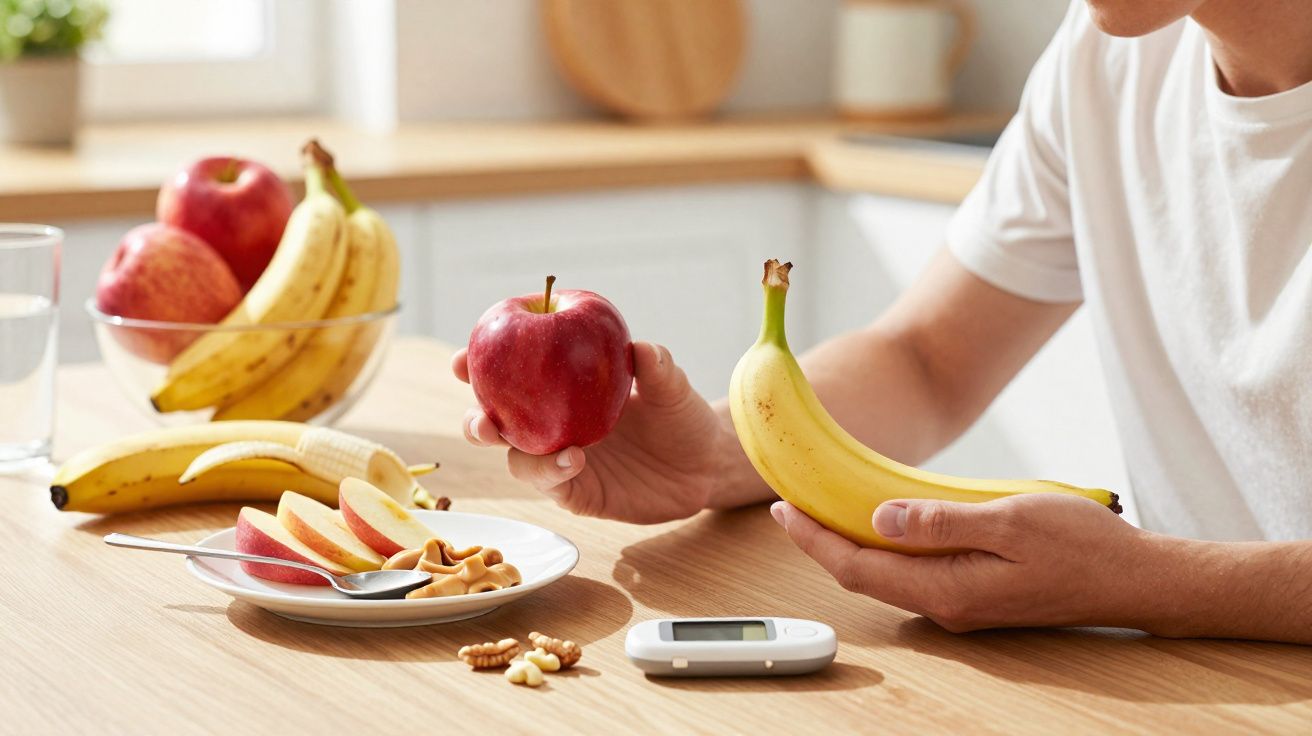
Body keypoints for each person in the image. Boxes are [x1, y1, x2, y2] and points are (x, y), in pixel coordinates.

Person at [453, 0, 1312, 645]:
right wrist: (720, 457)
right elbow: (928, 359)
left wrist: (1142, 583)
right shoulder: (1104, 61)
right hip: (1186, 678)